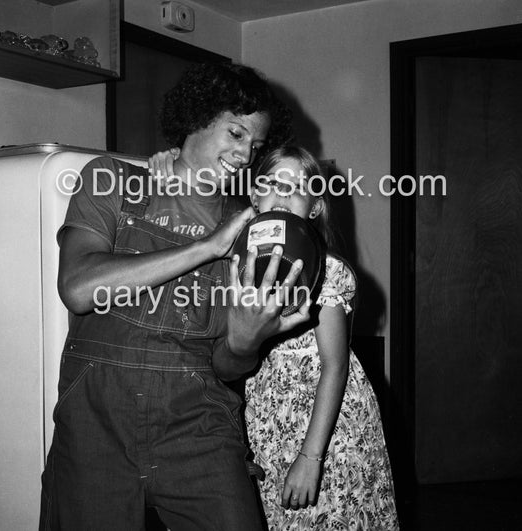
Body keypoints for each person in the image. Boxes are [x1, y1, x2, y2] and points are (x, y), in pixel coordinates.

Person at [40, 63, 312, 531]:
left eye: (256, 145)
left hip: (199, 426)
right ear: (197, 117)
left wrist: (245, 342)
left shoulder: (250, 223)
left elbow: (226, 366)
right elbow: (80, 288)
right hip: (95, 424)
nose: (246, 154)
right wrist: (205, 247)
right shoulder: (112, 181)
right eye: (237, 133)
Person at [243, 145, 399, 530]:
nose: (283, 194)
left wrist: (311, 457)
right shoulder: (237, 264)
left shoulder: (326, 270)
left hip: (325, 428)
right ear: (254, 194)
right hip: (270, 419)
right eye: (273, 183)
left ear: (314, 207)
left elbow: (335, 365)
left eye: (297, 187)